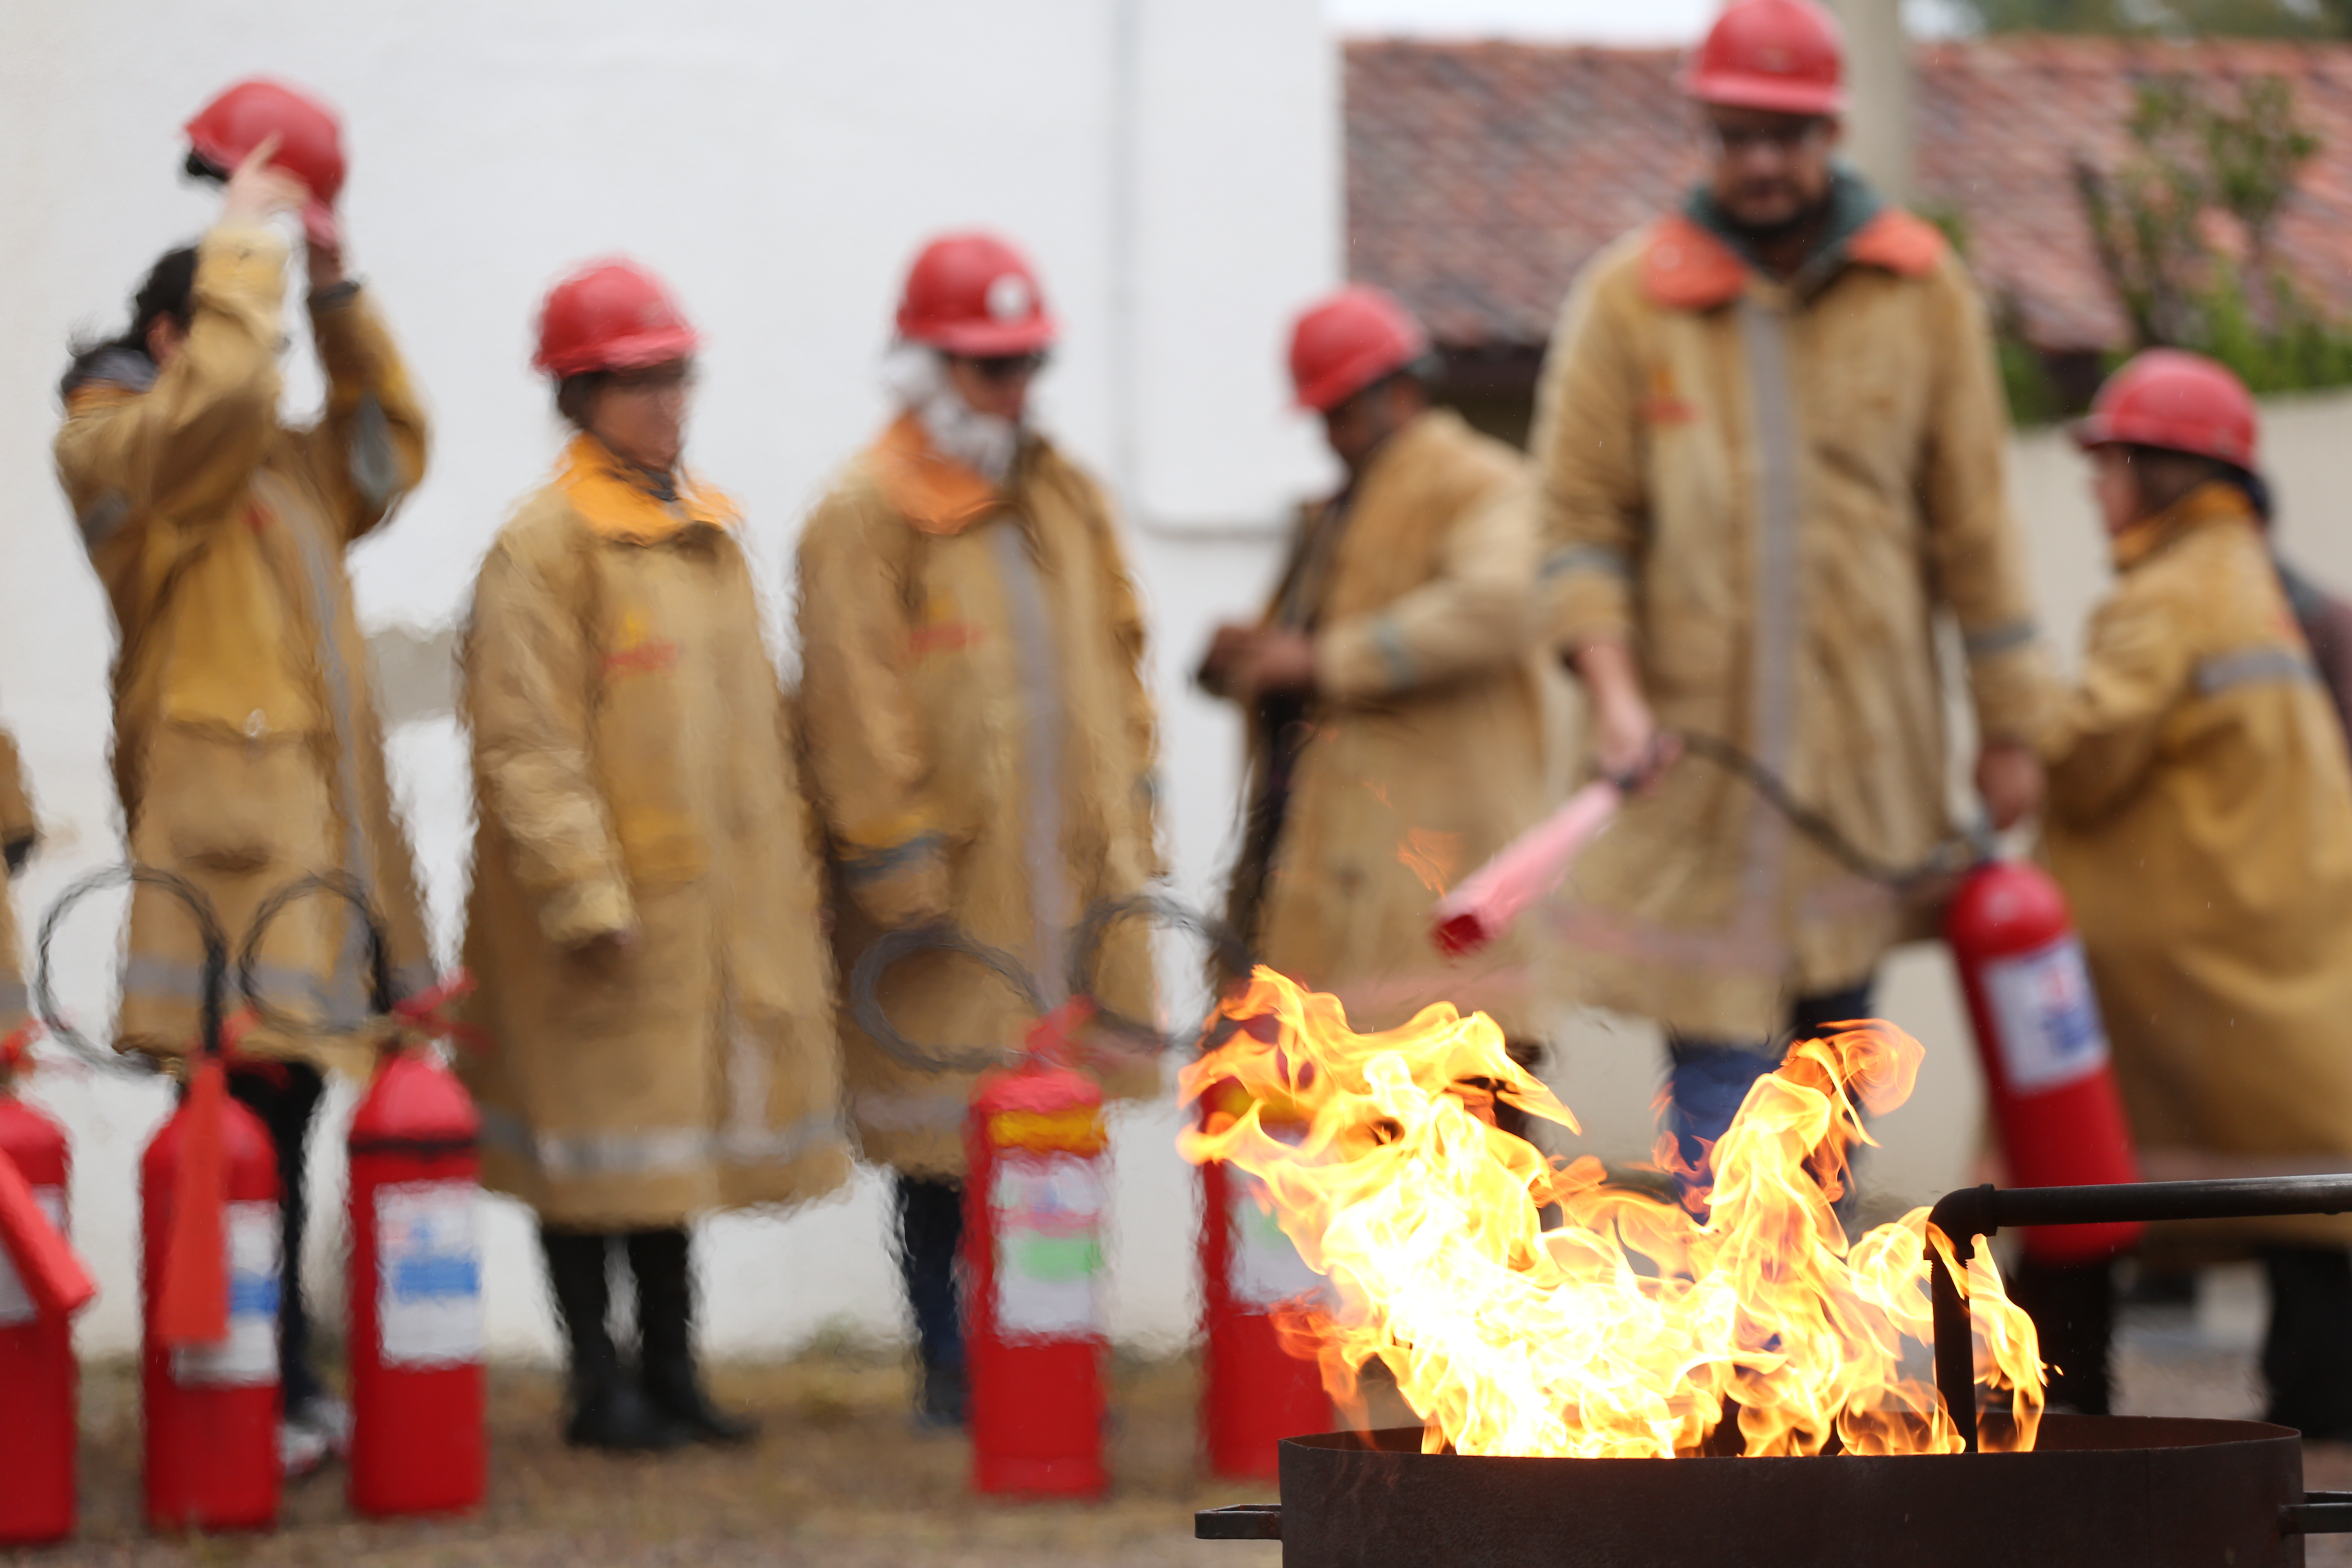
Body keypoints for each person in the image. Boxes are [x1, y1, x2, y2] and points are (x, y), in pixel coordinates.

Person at [1528, 0, 2049, 1191]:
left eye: (1786, 136)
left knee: (1824, 1092)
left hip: (1856, 782)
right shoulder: (1629, 303)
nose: (1761, 162)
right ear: (1704, 133)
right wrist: (1613, 696)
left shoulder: (1922, 297)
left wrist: (2011, 726)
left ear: (1830, 133)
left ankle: (1793, 1354)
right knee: (1720, 1097)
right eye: (1736, 134)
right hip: (1695, 783)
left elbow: (1978, 530)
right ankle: (1751, 1359)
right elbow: (1576, 533)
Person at [53, 85, 432, 1477]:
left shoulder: (275, 459)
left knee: (296, 1112)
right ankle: (242, 1393)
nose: (261, 365)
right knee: (240, 1125)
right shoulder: (119, 451)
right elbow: (206, 416)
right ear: (178, 335)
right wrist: (246, 238)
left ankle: (280, 1382)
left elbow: (388, 445)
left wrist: (334, 291)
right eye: (237, 331)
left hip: (315, 848)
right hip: (227, 855)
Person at [458, 260, 850, 1452]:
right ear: (578, 394)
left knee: (670, 1148)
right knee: (591, 1153)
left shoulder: (709, 533)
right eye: (636, 383)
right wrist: (584, 889)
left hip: (704, 910)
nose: (665, 402)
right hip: (603, 915)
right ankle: (598, 1383)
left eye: (674, 376)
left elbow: (757, 731)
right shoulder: (543, 548)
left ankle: (673, 1373)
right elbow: (527, 742)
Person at [795, 232, 1160, 1426]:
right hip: (954, 882)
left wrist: (1136, 811)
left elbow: (1120, 658)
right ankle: (949, 1368)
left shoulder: (1061, 494)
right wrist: (898, 860)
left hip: (1064, 872)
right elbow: (855, 698)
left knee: (1055, 1123)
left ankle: (1044, 1343)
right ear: (924, 365)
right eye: (983, 369)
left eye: (1021, 366)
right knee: (942, 1137)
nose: (1008, 391)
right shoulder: (865, 512)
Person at [2038, 349, 2352, 1436]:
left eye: (2109, 461)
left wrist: (2012, 715)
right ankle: (2316, 1477)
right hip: (2286, 979)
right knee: (2311, 1219)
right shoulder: (2259, 586)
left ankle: (2065, 1445)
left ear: (2159, 471)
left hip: (2170, 990)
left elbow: (2085, 758)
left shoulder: (2164, 598)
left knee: (2063, 1205)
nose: (2096, 486)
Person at [1200, 286, 1559, 1132]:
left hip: (1437, 917)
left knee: (1475, 1192)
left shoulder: (1481, 486)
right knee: (1361, 1209)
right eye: (1322, 416)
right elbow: (1307, 661)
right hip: (1339, 913)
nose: (1332, 435)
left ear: (1402, 391)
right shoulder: (1341, 514)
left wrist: (1325, 658)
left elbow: (1499, 604)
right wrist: (1248, 659)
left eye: (1343, 412)